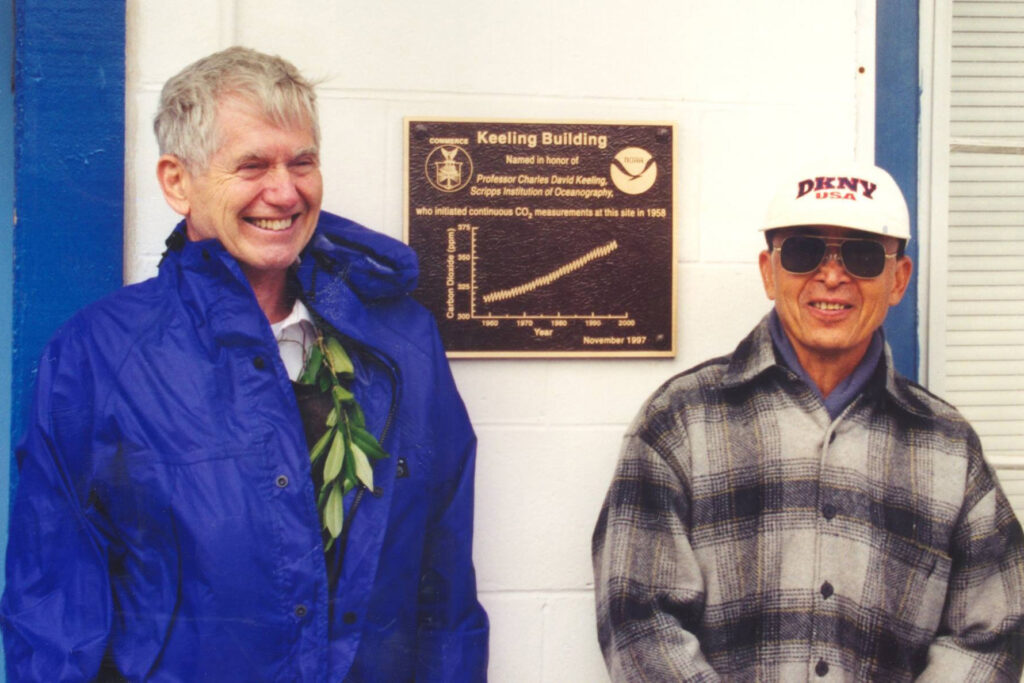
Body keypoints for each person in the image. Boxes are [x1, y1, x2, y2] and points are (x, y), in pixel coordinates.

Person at [1, 47, 488, 681]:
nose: (284, 191)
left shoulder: (399, 344)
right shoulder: (101, 354)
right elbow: (54, 607)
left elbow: (444, 587)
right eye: (251, 165)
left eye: (302, 162)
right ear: (178, 181)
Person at [593, 161, 1024, 681]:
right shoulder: (678, 422)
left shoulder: (949, 445)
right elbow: (637, 621)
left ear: (898, 280)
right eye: (804, 251)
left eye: (863, 255)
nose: (833, 275)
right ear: (769, 271)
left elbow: (993, 629)